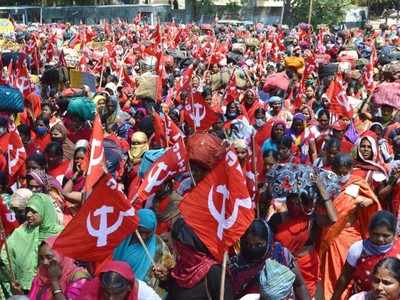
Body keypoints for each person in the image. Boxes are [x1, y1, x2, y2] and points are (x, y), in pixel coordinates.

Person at [319, 153, 381, 300]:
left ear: (351, 169)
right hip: (331, 235)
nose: (341, 175)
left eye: (344, 172)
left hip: (350, 235)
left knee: (349, 269)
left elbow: (374, 202)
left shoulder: (358, 183)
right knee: (332, 271)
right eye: (338, 172)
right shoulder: (326, 184)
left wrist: (366, 201)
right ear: (333, 169)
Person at [229, 219, 310, 299]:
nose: (253, 248)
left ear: (268, 241)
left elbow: (299, 284)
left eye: (259, 245)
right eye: (248, 244)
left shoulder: (280, 254)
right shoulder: (234, 267)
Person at [159, 217, 234, 300]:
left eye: (178, 245)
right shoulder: (179, 270)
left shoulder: (214, 273)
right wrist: (165, 278)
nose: (174, 249)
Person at [1, 193, 63, 291]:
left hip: (55, 288)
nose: (28, 214)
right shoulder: (21, 232)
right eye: (27, 211)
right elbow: (5, 256)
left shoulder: (61, 234)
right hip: (25, 289)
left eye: (34, 211)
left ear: (44, 211)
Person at [332, 210, 399, 299]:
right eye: (375, 234)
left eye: (386, 236)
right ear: (369, 231)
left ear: (394, 235)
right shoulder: (358, 249)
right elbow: (345, 277)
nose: (380, 239)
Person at [113, 209, 175, 297]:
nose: (143, 236)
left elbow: (171, 273)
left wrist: (164, 274)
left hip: (140, 295)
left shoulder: (159, 246)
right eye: (140, 231)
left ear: (153, 230)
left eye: (148, 233)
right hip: (115, 290)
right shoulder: (121, 239)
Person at [79, 260, 161, 299]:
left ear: (129, 287)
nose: (111, 298)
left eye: (117, 293)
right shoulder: (91, 289)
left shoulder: (144, 293)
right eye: (106, 293)